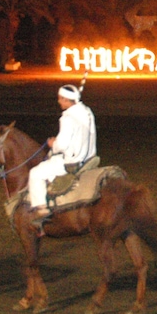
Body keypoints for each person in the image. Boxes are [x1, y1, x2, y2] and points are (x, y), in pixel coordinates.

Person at [28, 85, 97, 221]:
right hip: (89, 157)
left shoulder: (67, 118)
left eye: (60, 99)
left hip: (73, 161)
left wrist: (53, 144)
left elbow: (62, 145)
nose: (59, 101)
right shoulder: (87, 111)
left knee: (35, 173)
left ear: (66, 99)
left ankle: (41, 208)